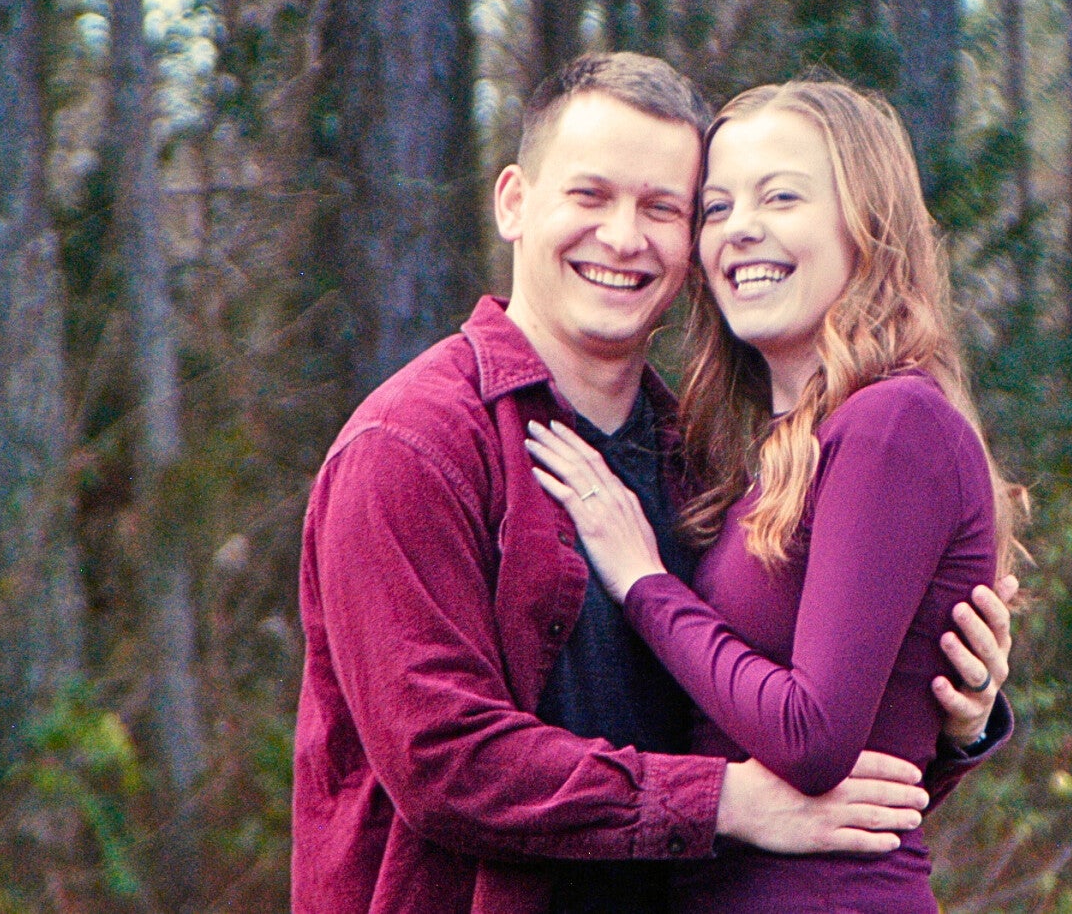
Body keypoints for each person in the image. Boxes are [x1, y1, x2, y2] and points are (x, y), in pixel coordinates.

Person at [292, 55, 1017, 914]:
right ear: (514, 202)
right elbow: (442, 759)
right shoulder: (413, 445)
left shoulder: (702, 463)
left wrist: (951, 716)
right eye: (590, 195)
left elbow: (812, 790)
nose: (623, 237)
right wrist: (723, 801)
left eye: (664, 208)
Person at [526, 78, 1024, 913]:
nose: (740, 228)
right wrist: (962, 726)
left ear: (866, 222)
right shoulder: (778, 447)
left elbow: (813, 736)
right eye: (716, 207)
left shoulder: (891, 424)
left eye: (780, 196)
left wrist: (645, 582)